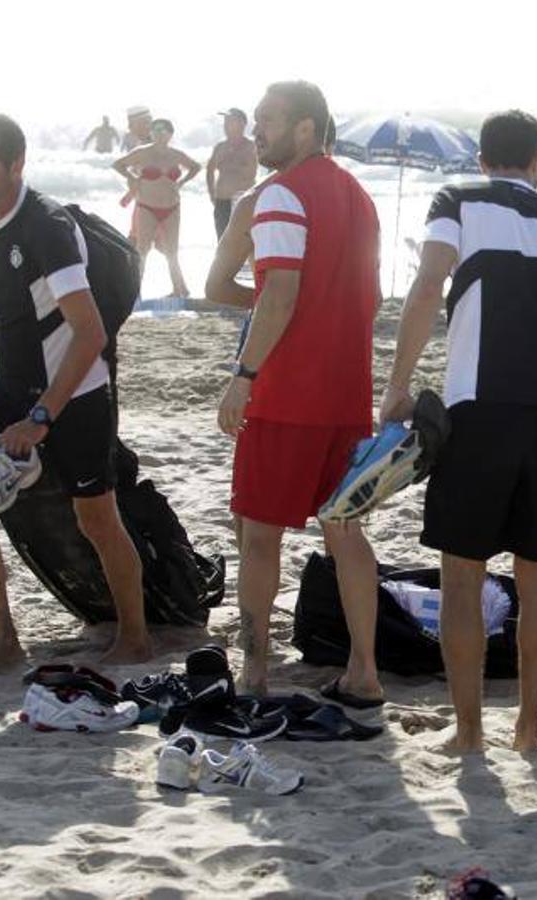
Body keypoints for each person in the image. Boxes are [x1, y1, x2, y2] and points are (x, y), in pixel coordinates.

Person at [380, 109, 537, 753]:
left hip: (478, 413)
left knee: (463, 578)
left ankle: (468, 733)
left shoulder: (458, 199)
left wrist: (397, 385)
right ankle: (529, 732)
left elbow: (429, 282)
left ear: (482, 159)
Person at [0, 113, 151, 672]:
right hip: (11, 383)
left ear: (17, 164)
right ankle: (3, 641)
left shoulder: (48, 226)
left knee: (97, 518)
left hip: (79, 385)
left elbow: (89, 332)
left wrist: (42, 417)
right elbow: (10, 300)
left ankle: (135, 637)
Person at [216, 81, 384, 703]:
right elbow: (358, 296)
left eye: (268, 121)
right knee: (346, 533)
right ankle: (364, 672)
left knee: (260, 536)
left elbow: (279, 294)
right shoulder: (359, 196)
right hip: (347, 394)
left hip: (288, 395)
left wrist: (245, 374)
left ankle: (255, 673)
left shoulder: (281, 194)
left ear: (306, 129)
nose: (256, 131)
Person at [113, 119, 201, 298]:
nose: (160, 133)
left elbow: (196, 167)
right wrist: (132, 177)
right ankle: (135, 292)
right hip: (147, 207)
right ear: (151, 133)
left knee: (172, 251)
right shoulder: (142, 153)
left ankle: (179, 290)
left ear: (170, 134)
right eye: (156, 130)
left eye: (164, 130)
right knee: (142, 250)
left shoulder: (176, 154)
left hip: (172, 207)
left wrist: (182, 181)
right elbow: (118, 164)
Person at [207, 108, 259, 239]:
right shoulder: (220, 147)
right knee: (223, 243)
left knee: (246, 244)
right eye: (225, 121)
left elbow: (274, 167)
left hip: (244, 203)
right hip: (222, 201)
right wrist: (212, 194)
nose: (225, 124)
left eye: (230, 121)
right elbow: (209, 170)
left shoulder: (252, 147)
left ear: (242, 124)